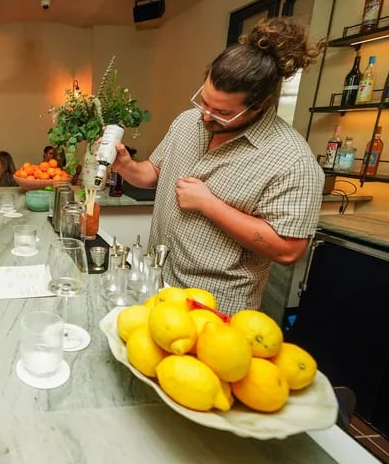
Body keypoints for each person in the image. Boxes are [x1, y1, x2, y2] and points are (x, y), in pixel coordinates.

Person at [111, 17, 324, 315]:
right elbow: (153, 174)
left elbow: (288, 250)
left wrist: (209, 204)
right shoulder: (188, 122)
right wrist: (125, 165)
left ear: (260, 105)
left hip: (218, 306)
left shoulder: (292, 160)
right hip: (159, 283)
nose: (206, 116)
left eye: (222, 112)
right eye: (204, 101)